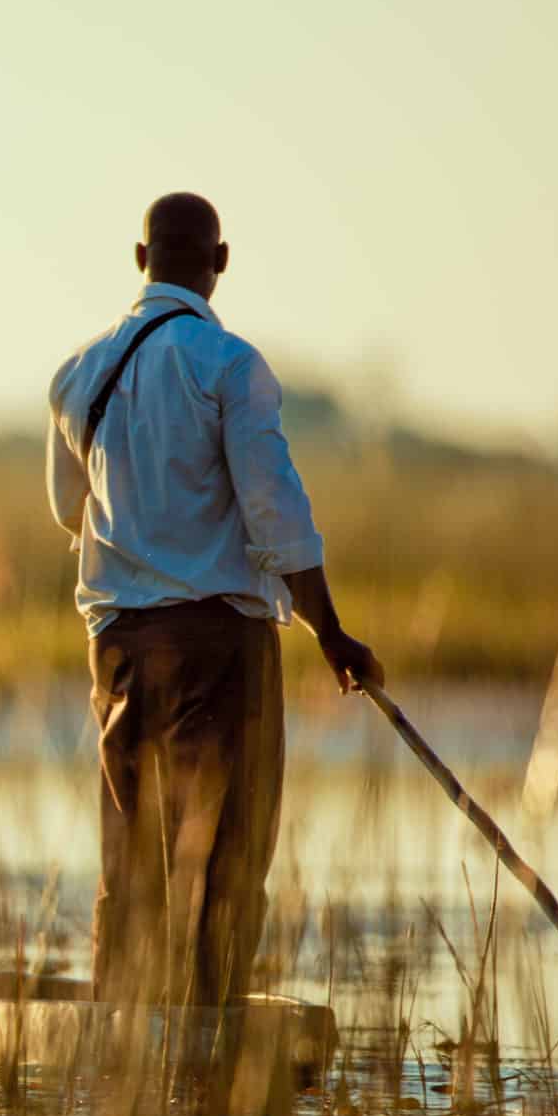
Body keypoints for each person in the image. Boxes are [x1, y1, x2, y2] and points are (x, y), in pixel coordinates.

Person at [46, 192, 384, 1011]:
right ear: (219, 262)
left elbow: (69, 510)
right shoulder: (230, 364)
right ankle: (209, 1032)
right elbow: (276, 514)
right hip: (219, 647)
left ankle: (125, 1035)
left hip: (120, 649)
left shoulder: (78, 372)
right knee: (226, 853)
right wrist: (331, 633)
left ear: (141, 259)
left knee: (133, 854)